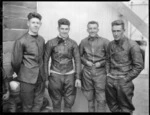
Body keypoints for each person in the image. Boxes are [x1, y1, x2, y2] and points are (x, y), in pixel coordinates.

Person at [105, 20, 144, 114]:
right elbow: (107, 60)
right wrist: (108, 74)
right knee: (113, 107)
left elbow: (139, 66)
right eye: (113, 31)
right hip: (110, 81)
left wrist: (126, 79)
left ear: (124, 30)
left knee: (126, 109)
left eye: (118, 31)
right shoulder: (110, 44)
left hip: (124, 82)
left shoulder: (132, 45)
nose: (115, 34)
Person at [44, 18, 81, 112]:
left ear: (69, 29)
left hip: (70, 76)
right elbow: (45, 61)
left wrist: (77, 78)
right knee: (56, 103)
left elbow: (77, 61)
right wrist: (46, 79)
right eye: (62, 28)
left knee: (69, 103)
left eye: (66, 29)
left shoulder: (73, 43)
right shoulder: (50, 42)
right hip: (55, 76)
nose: (64, 31)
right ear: (58, 29)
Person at [11, 12, 46, 112]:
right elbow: (15, 62)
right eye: (33, 22)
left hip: (40, 78)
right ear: (28, 23)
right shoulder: (21, 41)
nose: (35, 25)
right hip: (27, 80)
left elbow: (42, 58)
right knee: (27, 106)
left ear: (40, 24)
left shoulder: (41, 39)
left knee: (38, 104)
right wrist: (22, 74)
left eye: (38, 23)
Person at [79, 21, 109, 112]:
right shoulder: (83, 42)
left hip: (101, 73)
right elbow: (78, 56)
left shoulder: (105, 41)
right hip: (87, 73)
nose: (92, 30)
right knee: (90, 99)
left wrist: (101, 63)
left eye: (94, 28)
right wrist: (85, 61)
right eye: (90, 28)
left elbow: (110, 57)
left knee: (101, 100)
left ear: (98, 29)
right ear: (87, 29)